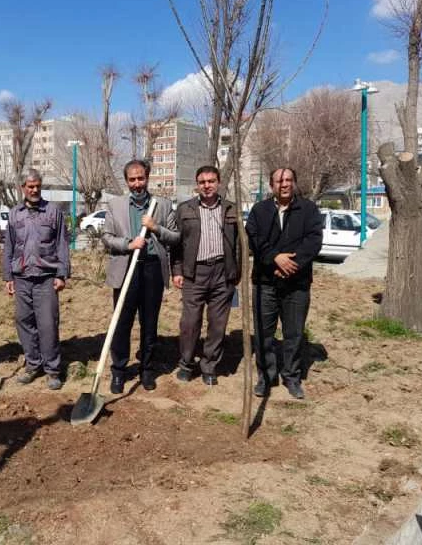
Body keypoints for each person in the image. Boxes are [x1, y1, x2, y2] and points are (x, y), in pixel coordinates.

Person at [101, 159, 179, 394]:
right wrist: (128, 243)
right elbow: (106, 237)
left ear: (147, 178)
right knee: (121, 323)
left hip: (153, 269)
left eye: (141, 178)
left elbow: (175, 237)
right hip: (126, 270)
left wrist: (155, 227)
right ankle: (119, 371)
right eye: (132, 179)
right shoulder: (115, 205)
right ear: (127, 181)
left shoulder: (162, 205)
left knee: (149, 323)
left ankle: (147, 369)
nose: (137, 183)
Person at [246, 167, 323, 399]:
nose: (284, 184)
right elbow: (254, 238)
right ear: (272, 185)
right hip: (265, 281)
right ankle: (266, 376)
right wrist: (275, 259)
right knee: (263, 332)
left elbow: (314, 240)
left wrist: (292, 264)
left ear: (295, 183)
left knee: (294, 333)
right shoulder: (260, 210)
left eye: (289, 180)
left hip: (297, 284)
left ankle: (292, 376)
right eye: (279, 181)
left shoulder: (308, 209)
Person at [171, 166, 241, 386]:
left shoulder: (231, 209)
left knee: (217, 323)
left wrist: (236, 271)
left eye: (211, 181)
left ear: (218, 182)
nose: (207, 185)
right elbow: (176, 244)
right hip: (194, 274)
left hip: (222, 272)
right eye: (202, 182)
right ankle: (186, 363)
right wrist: (177, 271)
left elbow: (240, 243)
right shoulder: (184, 209)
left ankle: (209, 365)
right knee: (190, 323)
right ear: (196, 184)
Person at [2, 169, 70, 390]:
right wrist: (8, 276)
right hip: (21, 278)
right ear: (23, 188)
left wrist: (62, 274)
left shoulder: (53, 212)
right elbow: (9, 247)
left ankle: (52, 369)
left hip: (46, 278)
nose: (34, 190)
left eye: (37, 186)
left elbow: (62, 244)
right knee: (24, 321)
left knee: (48, 323)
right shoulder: (14, 214)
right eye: (30, 186)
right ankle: (32, 365)